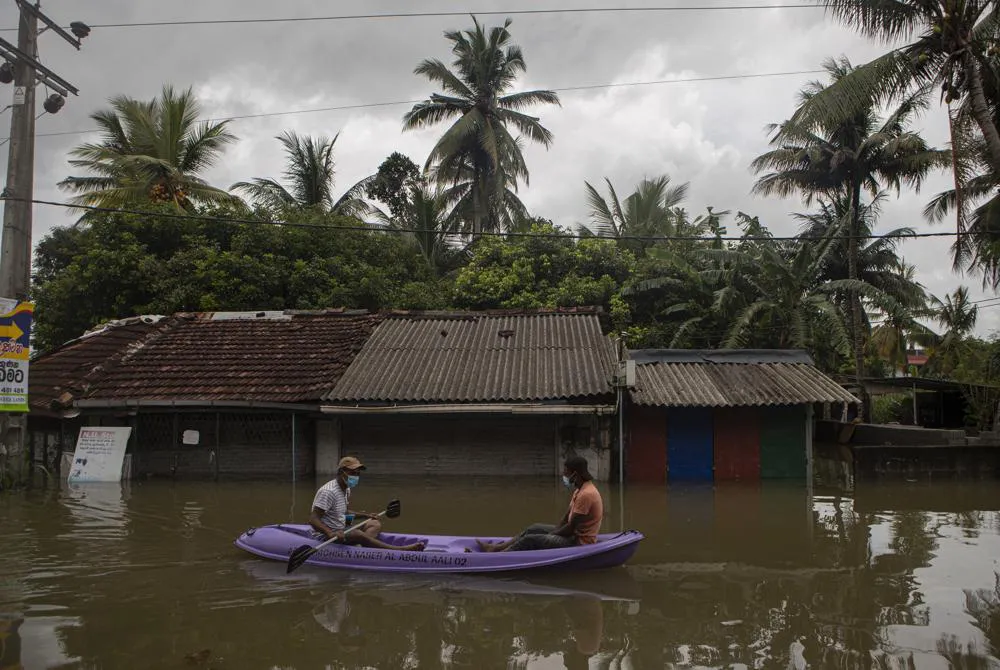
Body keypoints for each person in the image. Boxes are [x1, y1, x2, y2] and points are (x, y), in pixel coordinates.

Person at [476, 455, 604, 552]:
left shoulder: (587, 494)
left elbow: (571, 528)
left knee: (530, 539)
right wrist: (555, 529)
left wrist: (551, 535)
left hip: (578, 541)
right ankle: (496, 548)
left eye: (566, 472)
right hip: (571, 535)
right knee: (534, 528)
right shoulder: (579, 490)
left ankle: (500, 556)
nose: (564, 475)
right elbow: (566, 517)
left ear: (575, 474)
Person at [309, 455, 424, 551]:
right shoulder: (328, 491)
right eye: (352, 473)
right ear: (341, 472)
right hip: (327, 535)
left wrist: (366, 515)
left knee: (374, 524)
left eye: (358, 474)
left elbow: (344, 512)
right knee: (357, 534)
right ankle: (400, 550)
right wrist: (330, 533)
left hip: (341, 526)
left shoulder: (346, 488)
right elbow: (313, 519)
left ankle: (360, 548)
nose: (355, 476)